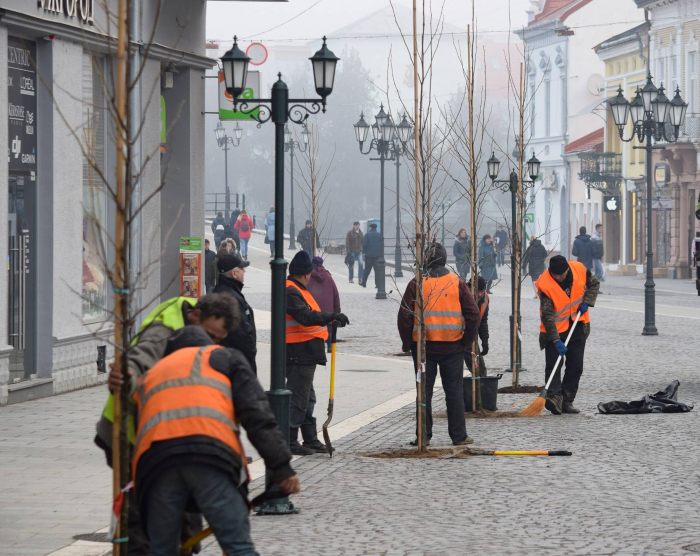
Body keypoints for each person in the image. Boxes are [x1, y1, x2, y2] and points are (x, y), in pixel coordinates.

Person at [132, 326, 299, 556]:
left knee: (162, 550)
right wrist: (281, 468)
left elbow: (134, 431)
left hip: (157, 464)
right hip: (211, 457)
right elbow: (257, 416)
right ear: (209, 344)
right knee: (237, 546)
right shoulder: (224, 358)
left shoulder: (153, 372)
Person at [95, 294, 237, 555]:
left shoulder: (194, 323)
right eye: (210, 335)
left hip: (164, 435)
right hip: (128, 434)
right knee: (141, 518)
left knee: (182, 508)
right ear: (195, 316)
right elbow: (140, 358)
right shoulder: (166, 331)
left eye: (218, 340)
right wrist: (127, 376)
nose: (211, 344)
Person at [397, 243, 480, 446]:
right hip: (452, 347)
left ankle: (423, 437)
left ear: (426, 260)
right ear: (445, 260)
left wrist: (408, 343)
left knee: (423, 394)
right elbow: (473, 314)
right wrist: (466, 342)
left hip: (423, 349)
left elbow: (404, 316)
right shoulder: (457, 282)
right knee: (454, 393)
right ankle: (459, 436)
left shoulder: (416, 283)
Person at [286, 250, 349, 455]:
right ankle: (290, 439)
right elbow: (305, 316)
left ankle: (310, 438)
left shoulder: (299, 289)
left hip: (305, 351)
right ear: (306, 274)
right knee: (299, 398)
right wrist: (330, 316)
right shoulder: (291, 291)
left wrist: (330, 317)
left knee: (307, 397)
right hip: (298, 351)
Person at [535, 255, 600, 415]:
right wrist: (556, 340)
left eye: (562, 275)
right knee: (554, 365)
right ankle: (554, 398)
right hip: (554, 329)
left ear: (567, 270)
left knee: (576, 365)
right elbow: (547, 316)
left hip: (578, 324)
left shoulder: (579, 269)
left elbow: (594, 284)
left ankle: (567, 400)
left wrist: (587, 301)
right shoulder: (545, 284)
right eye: (555, 275)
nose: (559, 278)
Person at [213, 253, 257, 374]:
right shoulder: (229, 296)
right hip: (238, 362)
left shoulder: (227, 291)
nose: (244, 271)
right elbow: (241, 333)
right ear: (234, 273)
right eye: (242, 268)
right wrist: (251, 353)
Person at [307, 256, 341, 353]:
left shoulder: (309, 277)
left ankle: (318, 347)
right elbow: (335, 293)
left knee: (316, 324)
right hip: (328, 307)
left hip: (314, 306)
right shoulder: (328, 276)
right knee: (329, 324)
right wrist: (337, 309)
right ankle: (329, 345)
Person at [464, 276, 489, 374]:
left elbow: (483, 322)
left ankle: (480, 386)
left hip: (471, 337)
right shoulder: (461, 295)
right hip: (457, 336)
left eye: (482, 291)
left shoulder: (485, 298)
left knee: (480, 370)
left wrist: (485, 341)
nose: (479, 294)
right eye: (477, 290)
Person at [362, 223, 381, 289]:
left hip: (368, 255)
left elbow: (364, 244)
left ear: (370, 228)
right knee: (377, 270)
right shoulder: (379, 235)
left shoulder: (367, 235)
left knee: (367, 269)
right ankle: (377, 284)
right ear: (375, 228)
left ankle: (364, 283)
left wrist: (364, 252)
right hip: (377, 255)